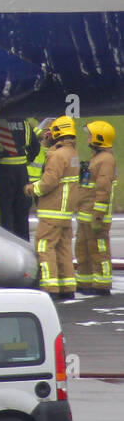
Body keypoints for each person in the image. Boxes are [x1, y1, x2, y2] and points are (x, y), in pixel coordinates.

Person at [25, 116, 80, 299]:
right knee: (63, 249)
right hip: (65, 212)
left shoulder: (57, 155)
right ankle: (67, 287)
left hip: (52, 210)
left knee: (45, 247)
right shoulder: (73, 154)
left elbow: (49, 182)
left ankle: (50, 288)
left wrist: (32, 189)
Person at [75, 120, 116, 295]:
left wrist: (98, 215)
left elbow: (103, 189)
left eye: (90, 135)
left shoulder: (106, 160)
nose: (88, 138)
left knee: (99, 250)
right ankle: (85, 282)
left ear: (100, 138)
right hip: (86, 214)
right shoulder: (97, 158)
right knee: (83, 249)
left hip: (95, 215)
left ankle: (101, 284)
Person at [0, 118, 37, 240]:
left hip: (4, 172)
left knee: (3, 211)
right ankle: (23, 244)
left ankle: (4, 243)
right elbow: (35, 147)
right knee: (22, 211)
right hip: (22, 172)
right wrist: (26, 160)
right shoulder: (25, 123)